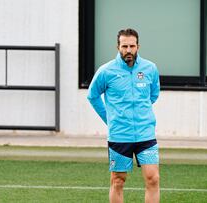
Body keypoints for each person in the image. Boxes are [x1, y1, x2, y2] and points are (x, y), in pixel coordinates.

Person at [87, 28, 160, 203]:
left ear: (138, 46)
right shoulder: (106, 71)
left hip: (145, 134)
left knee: (153, 178)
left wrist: (141, 114)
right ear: (118, 46)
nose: (128, 50)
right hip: (119, 135)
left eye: (132, 46)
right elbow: (93, 95)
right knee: (118, 180)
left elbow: (153, 94)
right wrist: (109, 118)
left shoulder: (150, 68)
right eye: (124, 46)